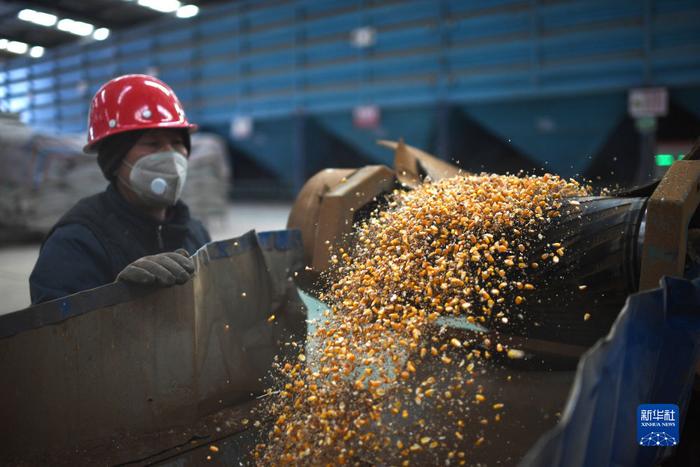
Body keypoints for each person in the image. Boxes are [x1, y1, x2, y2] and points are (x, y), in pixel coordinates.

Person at [29, 74, 211, 304]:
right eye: (152, 144)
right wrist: (115, 299)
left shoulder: (195, 232)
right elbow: (54, 333)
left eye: (177, 143)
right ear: (115, 158)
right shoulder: (77, 240)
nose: (170, 156)